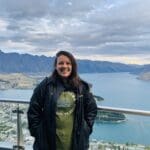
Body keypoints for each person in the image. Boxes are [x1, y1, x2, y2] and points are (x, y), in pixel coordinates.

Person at [27, 51, 97, 150]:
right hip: (48, 144)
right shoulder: (46, 85)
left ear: (73, 66)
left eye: (68, 63)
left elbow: (91, 109)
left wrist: (86, 128)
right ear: (56, 66)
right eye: (61, 63)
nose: (64, 66)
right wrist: (38, 132)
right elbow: (34, 109)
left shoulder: (81, 87)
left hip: (76, 144)